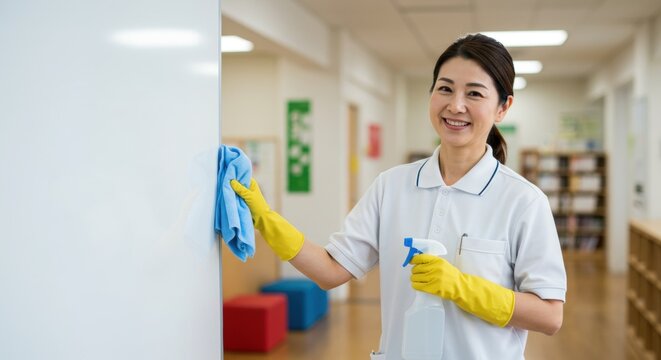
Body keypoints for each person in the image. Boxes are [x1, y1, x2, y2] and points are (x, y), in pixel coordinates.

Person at [231, 33, 566, 360]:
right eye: (445, 88)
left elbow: (550, 316)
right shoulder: (391, 186)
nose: (456, 105)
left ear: (502, 108)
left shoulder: (523, 201)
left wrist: (462, 287)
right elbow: (331, 270)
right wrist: (266, 218)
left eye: (475, 94)